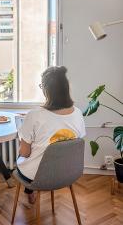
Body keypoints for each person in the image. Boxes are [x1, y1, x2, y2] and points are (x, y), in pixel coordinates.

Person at [16, 66, 86, 204]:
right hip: (68, 173)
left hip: (38, 177)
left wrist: (23, 136)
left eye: (42, 85)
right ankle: (29, 191)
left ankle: (29, 191)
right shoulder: (78, 113)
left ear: (47, 89)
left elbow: (24, 153)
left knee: (22, 155)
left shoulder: (34, 115)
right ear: (66, 88)